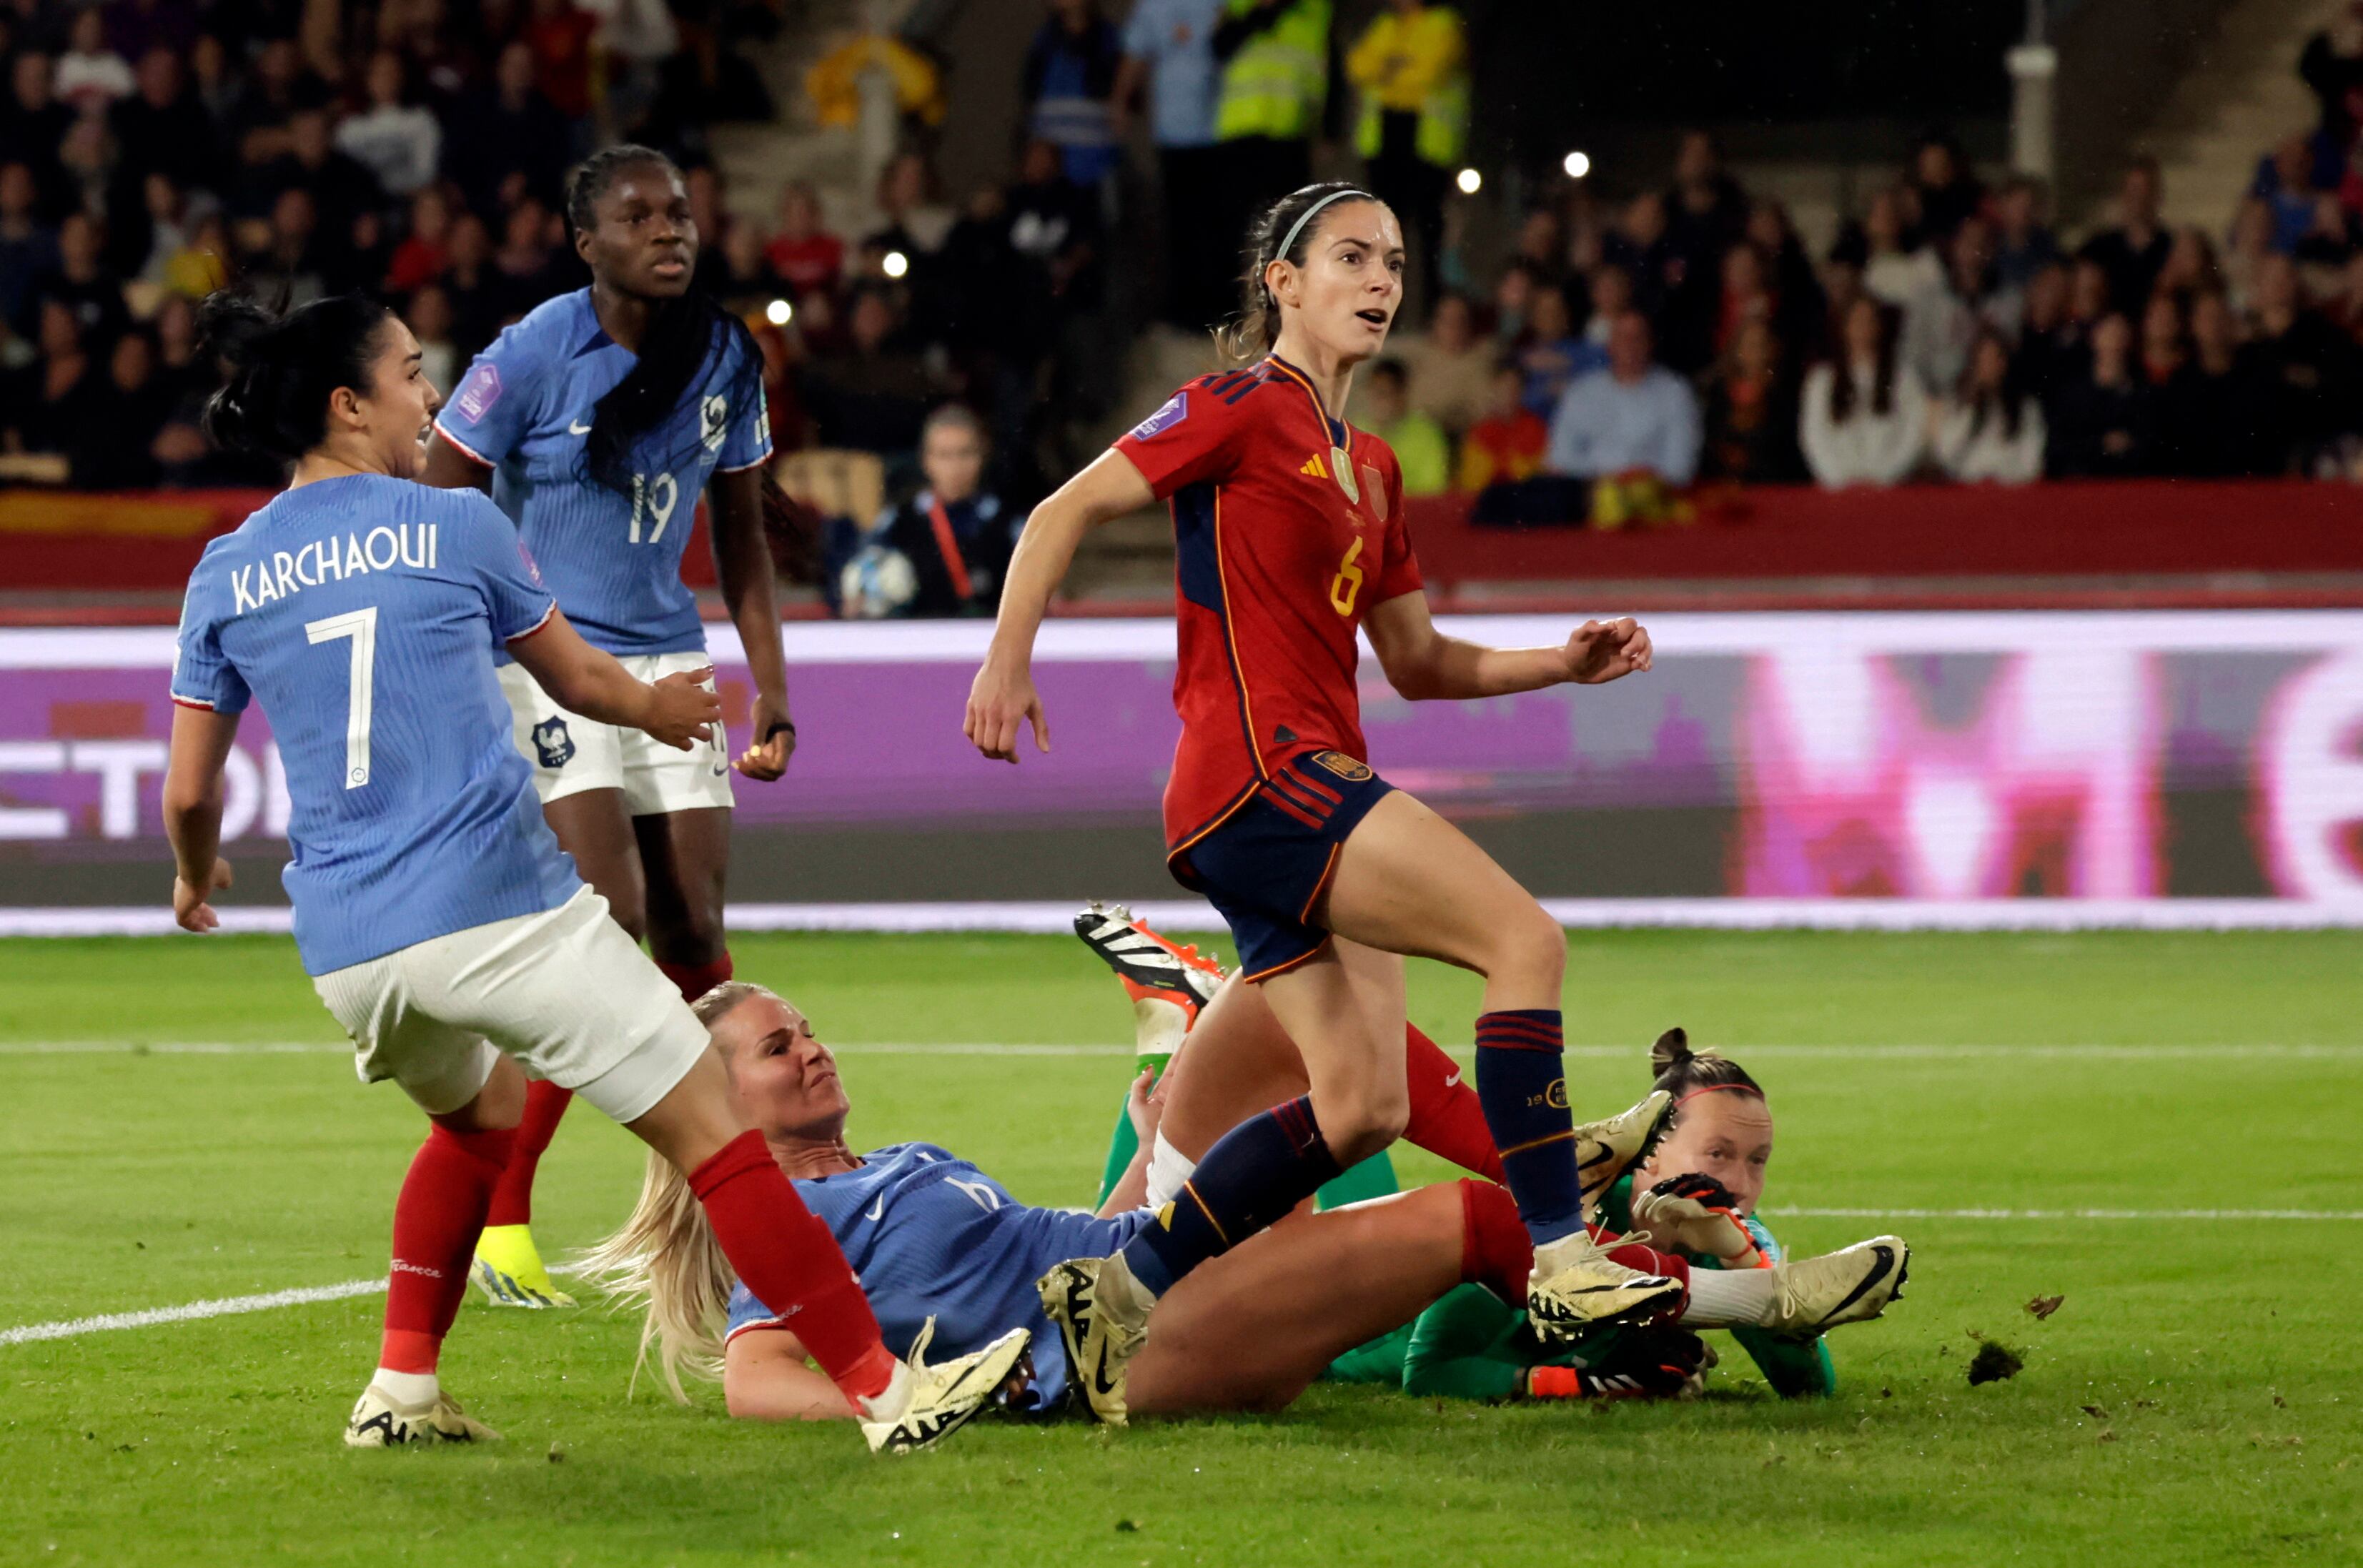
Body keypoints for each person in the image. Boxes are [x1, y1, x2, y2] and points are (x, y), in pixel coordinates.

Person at [161, 290, 1024, 1454]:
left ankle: (400, 1389)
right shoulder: (455, 525)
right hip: (498, 909)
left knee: (480, 1118)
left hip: (353, 946)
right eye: (413, 373)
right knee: (719, 1133)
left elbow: (187, 793)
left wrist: (193, 873)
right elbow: (578, 677)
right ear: (348, 401)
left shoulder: (224, 567)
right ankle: (884, 1391)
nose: (431, 396)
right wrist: (661, 706)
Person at [963, 182, 1683, 1426]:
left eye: (1393, 261)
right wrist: (1004, 657)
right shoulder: (1240, 406)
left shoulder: (1376, 467)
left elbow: (1419, 664)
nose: (1379, 278)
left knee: (1362, 1106)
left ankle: (1119, 1286)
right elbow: (1060, 507)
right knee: (1526, 942)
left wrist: (1557, 663)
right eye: (1348, 256)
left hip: (1265, 800)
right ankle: (1563, 1256)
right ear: (1281, 283)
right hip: (1264, 774)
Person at [585, 980, 1905, 1421]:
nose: (811, 1046)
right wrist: (915, 1398)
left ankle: (1556, 1168)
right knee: (1471, 1233)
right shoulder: (776, 1210)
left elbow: (1041, 1238)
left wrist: (1145, 1159)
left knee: (1296, 994)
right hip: (1121, 1346)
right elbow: (756, 1372)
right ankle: (1751, 1291)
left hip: (1147, 1257)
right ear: (722, 1097)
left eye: (804, 1027)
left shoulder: (891, 1160)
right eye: (777, 1046)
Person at [422, 147, 796, 1309]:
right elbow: (442, 493)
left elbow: (740, 532)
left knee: (692, 939)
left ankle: (713, 1200)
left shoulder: (727, 353)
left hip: (669, 659)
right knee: (608, 920)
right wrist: (477, 644)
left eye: (679, 211)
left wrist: (770, 681)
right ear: (586, 241)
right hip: (552, 660)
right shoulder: (530, 351)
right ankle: (504, 1212)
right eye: (638, 216)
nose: (668, 230)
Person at [1093, 923, 1909, 1401]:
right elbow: (1434, 1363)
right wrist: (1574, 1384)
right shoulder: (973, 1238)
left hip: (1169, 1288)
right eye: (1720, 1153)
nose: (1735, 1179)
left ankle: (1183, 1030)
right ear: (1650, 1157)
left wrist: (1735, 1248)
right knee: (1329, 1035)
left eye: (1756, 1160)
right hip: (1310, 1330)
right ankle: (1186, 1030)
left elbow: (1815, 1387)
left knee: (1333, 1060)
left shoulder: (1725, 1219)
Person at [851, 403, 1028, 618]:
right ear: (926, 461)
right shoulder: (899, 521)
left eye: (965, 453)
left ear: (982, 456)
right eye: (944, 455)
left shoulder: (1010, 523)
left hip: (991, 638)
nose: (955, 466)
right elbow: (861, 581)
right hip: (915, 642)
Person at [1345, 0, 1467, 309]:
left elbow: (1430, 71)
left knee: (1429, 233)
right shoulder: (1385, 25)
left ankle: (1432, 312)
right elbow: (1357, 67)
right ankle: (1384, 315)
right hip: (1384, 144)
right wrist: (1403, 65)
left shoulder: (1444, 24)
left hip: (1426, 145)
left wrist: (1387, 68)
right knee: (1384, 238)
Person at [1116, 0, 1230, 329]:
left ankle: (1220, 307)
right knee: (1179, 224)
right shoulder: (1154, 6)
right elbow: (1135, 54)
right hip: (1173, 133)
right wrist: (1120, 101)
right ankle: (1185, 310)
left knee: (1216, 224)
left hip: (1219, 130)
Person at [1543, 309, 1702, 486]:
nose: (1630, 345)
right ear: (1609, 345)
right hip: (1587, 494)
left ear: (1650, 344)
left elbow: (1680, 468)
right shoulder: (1581, 391)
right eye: (1622, 337)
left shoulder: (1676, 392)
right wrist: (1609, 478)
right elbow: (1558, 459)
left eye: (1637, 338)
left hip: (1653, 498)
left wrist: (1634, 480)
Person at [1800, 297, 1927, 488]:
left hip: (1889, 486)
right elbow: (1814, 436)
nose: (1863, 328)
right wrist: (1838, 480)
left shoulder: (1904, 378)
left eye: (1869, 320)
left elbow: (1914, 432)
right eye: (1857, 320)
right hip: (1838, 488)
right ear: (1844, 326)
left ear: (1880, 326)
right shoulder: (1822, 380)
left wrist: (1883, 478)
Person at [1933, 327, 2044, 485]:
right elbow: (1947, 453)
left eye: (1995, 358)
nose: (1989, 366)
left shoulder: (2026, 407)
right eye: (1984, 359)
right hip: (1968, 490)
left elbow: (2032, 460)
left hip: (2011, 491)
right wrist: (1971, 405)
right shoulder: (1958, 404)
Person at [1358, 357, 1450, 496]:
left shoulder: (1426, 434)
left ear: (1402, 395)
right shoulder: (1354, 431)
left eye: (1385, 393)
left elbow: (1432, 490)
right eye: (1374, 392)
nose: (1378, 400)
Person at [1456, 359, 1549, 492]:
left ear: (1523, 391)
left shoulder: (1537, 428)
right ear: (1492, 390)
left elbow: (1540, 478)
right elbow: (1473, 484)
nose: (1508, 395)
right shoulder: (1480, 431)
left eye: (1514, 388)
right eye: (1502, 388)